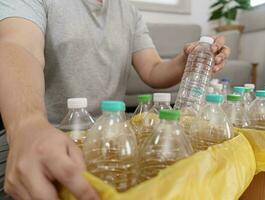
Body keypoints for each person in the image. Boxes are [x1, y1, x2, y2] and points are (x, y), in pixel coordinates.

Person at [0, 0, 230, 199]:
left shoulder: (128, 11)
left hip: (109, 137)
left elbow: (153, 70)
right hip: (45, 137)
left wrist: (187, 60)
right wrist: (27, 124)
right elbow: (18, 46)